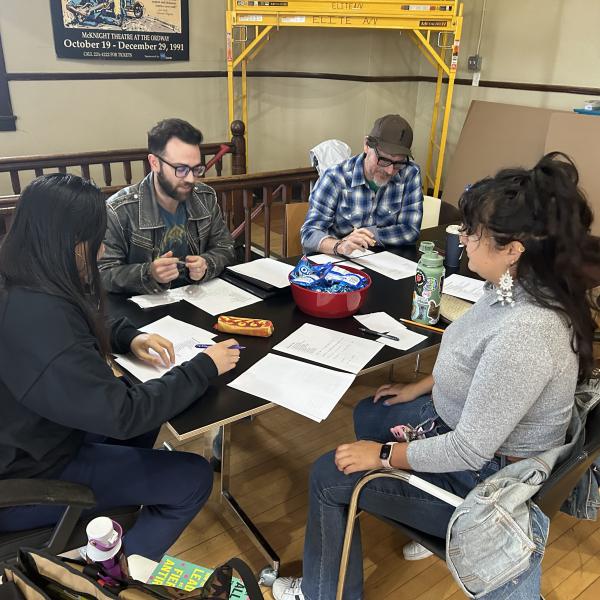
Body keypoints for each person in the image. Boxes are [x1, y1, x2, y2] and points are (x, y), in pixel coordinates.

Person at [273, 152, 600, 600]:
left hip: (486, 483)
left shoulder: (529, 330)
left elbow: (468, 449)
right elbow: (474, 358)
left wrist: (383, 456)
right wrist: (421, 384)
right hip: (475, 437)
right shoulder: (513, 287)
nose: (462, 240)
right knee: (372, 412)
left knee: (328, 474)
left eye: (472, 232)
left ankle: (322, 591)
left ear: (513, 249)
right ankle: (387, 512)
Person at [0, 174, 241, 561]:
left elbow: (79, 316)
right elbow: (122, 414)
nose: (99, 253)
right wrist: (203, 368)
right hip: (29, 475)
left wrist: (127, 337)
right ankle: (112, 579)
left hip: (36, 435)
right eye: (96, 242)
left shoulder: (24, 275)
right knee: (192, 478)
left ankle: (119, 528)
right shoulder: (38, 320)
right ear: (75, 244)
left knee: (149, 415)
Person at [99, 118, 235, 295]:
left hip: (197, 301)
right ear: (154, 163)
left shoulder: (205, 197)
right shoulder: (118, 210)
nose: (190, 179)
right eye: (181, 169)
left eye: (196, 169)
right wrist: (149, 273)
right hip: (143, 311)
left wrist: (206, 264)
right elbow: (103, 273)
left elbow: (226, 247)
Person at [300, 114, 423, 256]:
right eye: (384, 160)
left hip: (384, 261)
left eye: (399, 162)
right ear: (366, 145)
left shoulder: (410, 173)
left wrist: (369, 236)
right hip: (339, 261)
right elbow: (309, 234)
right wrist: (340, 245)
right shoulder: (335, 177)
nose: (390, 170)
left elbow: (411, 230)